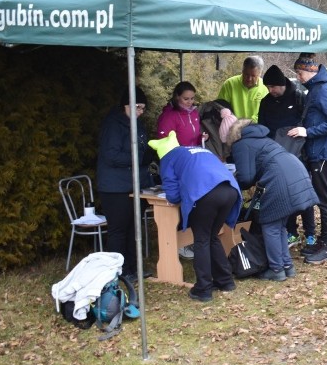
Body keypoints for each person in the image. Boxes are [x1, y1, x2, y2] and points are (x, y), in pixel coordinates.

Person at [148, 132, 242, 302]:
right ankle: (225, 281)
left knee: (202, 240)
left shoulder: (168, 158)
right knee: (212, 237)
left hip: (207, 193)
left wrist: (175, 196)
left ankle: (203, 289)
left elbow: (172, 193)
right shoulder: (198, 150)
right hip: (230, 191)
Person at [226, 118, 318, 282]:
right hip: (297, 174)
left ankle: (276, 269)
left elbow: (246, 178)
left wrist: (231, 181)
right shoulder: (264, 139)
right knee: (279, 226)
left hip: (280, 181)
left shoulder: (241, 144)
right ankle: (287, 266)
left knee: (270, 226)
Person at [288, 55, 327, 264]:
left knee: (325, 200)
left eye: (299, 73)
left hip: (323, 154)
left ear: (309, 71)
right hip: (318, 152)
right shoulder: (316, 88)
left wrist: (307, 131)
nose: (298, 77)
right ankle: (323, 241)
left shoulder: (323, 89)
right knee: (321, 198)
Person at [96, 87, 153, 281]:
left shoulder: (137, 125)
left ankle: (132, 269)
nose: (139, 111)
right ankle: (117, 272)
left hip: (131, 185)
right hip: (114, 188)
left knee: (132, 229)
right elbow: (111, 156)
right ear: (124, 106)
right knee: (119, 231)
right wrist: (138, 158)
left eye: (142, 108)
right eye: (136, 106)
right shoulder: (113, 125)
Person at [257, 64, 316, 248]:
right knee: (284, 194)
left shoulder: (298, 97)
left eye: (273, 86)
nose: (271, 90)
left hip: (298, 155)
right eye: (268, 87)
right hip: (276, 155)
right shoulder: (265, 102)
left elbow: (306, 124)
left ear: (282, 84)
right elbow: (263, 127)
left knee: (302, 194)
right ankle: (291, 231)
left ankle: (311, 233)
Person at [157, 81, 204, 260]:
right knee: (180, 201)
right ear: (177, 97)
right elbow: (165, 143)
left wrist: (202, 137)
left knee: (194, 201)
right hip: (178, 165)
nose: (189, 102)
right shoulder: (169, 116)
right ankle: (179, 241)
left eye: (192, 99)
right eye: (186, 99)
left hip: (193, 162)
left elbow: (193, 135)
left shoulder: (194, 114)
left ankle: (190, 239)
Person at [217, 55, 268, 122]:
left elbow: (267, 114)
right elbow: (220, 107)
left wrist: (248, 123)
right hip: (231, 127)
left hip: (255, 128)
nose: (249, 79)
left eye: (253, 76)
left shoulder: (265, 88)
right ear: (242, 70)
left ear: (260, 74)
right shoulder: (230, 84)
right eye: (246, 74)